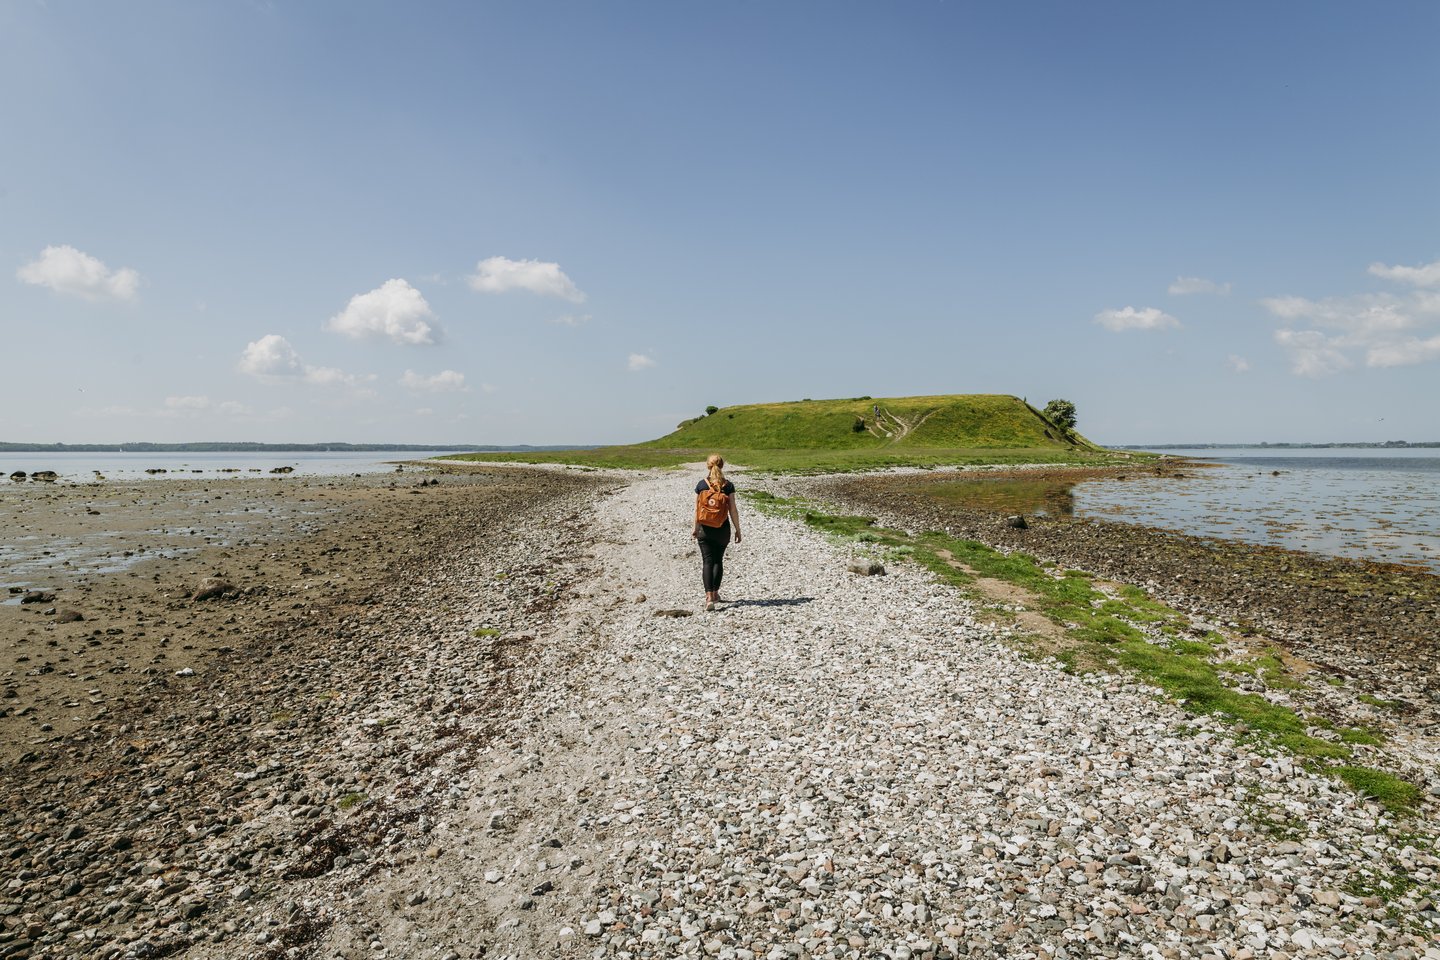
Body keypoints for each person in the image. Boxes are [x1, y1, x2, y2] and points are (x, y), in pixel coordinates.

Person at [692, 453, 741, 611]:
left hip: (705, 529)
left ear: (708, 466)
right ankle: (715, 593)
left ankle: (708, 598)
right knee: (718, 560)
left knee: (707, 561)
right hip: (722, 529)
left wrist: (695, 528)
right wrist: (737, 529)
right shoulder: (728, 486)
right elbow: (733, 510)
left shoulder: (701, 485)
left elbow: (697, 510)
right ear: (722, 466)